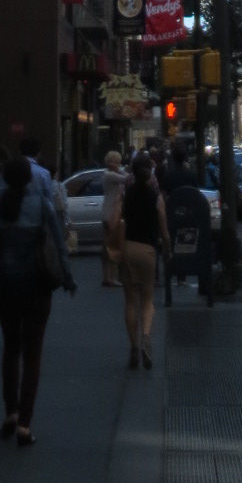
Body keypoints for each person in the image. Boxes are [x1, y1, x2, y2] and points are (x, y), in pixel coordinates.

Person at [0, 152, 74, 446]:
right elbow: (59, 245)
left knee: (11, 348)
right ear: (30, 178)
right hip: (37, 285)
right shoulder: (42, 205)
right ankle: (24, 423)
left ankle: (10, 411)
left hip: (6, 285)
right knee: (33, 353)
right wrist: (67, 277)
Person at [114, 151, 171, 372]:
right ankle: (146, 336)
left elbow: (118, 220)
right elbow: (164, 231)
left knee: (130, 300)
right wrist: (167, 251)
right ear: (150, 172)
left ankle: (134, 347)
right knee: (147, 300)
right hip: (148, 250)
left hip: (128, 248)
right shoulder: (156, 197)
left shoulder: (126, 195)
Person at [101, 151, 126, 286]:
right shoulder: (111, 175)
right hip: (112, 212)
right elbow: (127, 178)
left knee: (107, 245)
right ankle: (111, 277)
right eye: (117, 162)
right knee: (114, 244)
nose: (118, 165)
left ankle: (107, 276)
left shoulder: (106, 174)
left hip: (107, 211)